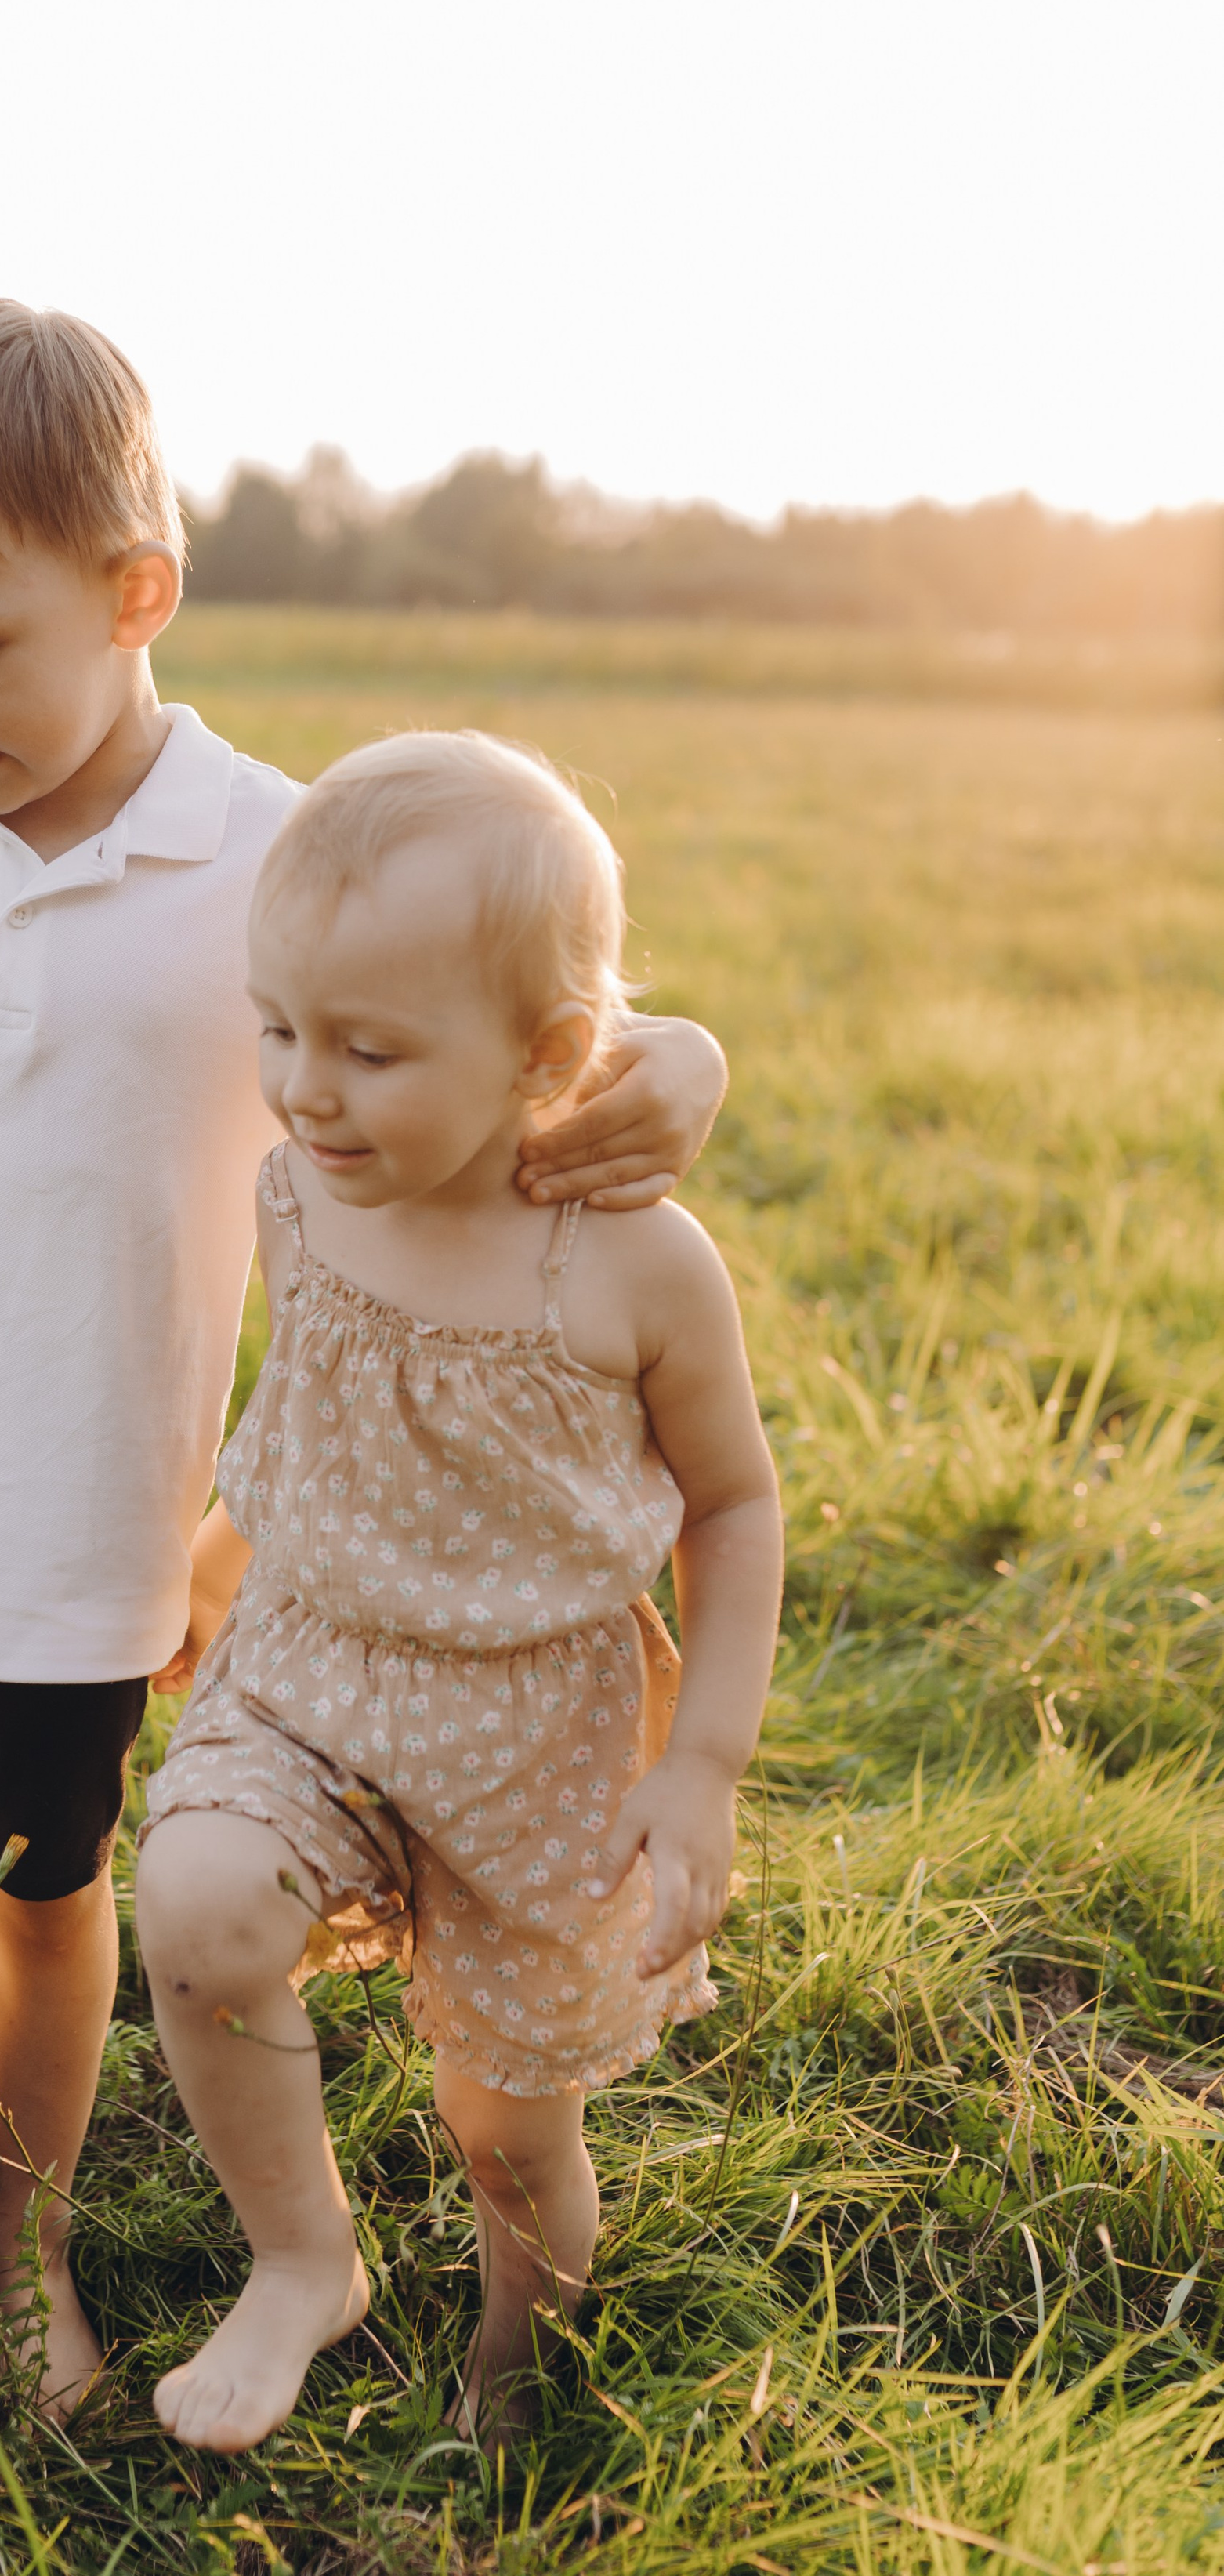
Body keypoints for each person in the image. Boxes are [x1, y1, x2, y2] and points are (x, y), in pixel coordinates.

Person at [0, 299, 732, 2415]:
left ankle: (22, 2223)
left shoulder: (266, 849)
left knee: (36, 1888)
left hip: (82, 1504)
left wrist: (685, 1054)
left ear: (137, 594)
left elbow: (501, 966)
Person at [136, 730, 784, 2451]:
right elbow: (317, 1419)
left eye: (368, 1050)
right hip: (309, 1672)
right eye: (280, 1029)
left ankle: (516, 2355)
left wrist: (703, 1763)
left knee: (507, 2130)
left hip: (537, 1736)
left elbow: (732, 1506)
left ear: (548, 1055)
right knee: (196, 1908)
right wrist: (210, 1572)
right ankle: (302, 2260)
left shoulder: (634, 1266)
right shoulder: (301, 1191)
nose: (305, 1089)